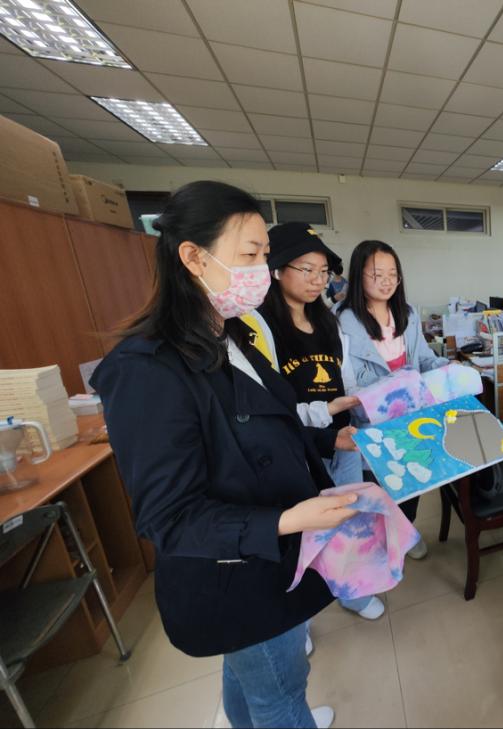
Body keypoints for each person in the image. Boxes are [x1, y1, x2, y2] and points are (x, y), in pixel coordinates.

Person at [92, 181, 358, 729]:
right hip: (235, 574)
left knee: (252, 675)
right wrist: (287, 520)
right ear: (193, 257)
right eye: (251, 255)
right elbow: (170, 518)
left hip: (271, 558)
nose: (264, 269)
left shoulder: (234, 334)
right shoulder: (147, 370)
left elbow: (262, 426)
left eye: (265, 255)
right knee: (279, 692)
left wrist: (329, 439)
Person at [255, 221, 384, 622]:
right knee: (306, 529)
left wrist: (363, 402)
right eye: (307, 270)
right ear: (277, 269)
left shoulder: (329, 322)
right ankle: (303, 614)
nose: (317, 280)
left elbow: (346, 381)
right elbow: (269, 408)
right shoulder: (261, 328)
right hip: (295, 447)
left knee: (349, 517)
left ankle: (353, 592)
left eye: (324, 271)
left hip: (343, 439)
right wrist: (325, 411)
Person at [338, 240, 448, 559]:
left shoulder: (406, 314)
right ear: (359, 276)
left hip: (410, 421)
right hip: (372, 425)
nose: (386, 281)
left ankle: (406, 532)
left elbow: (424, 359)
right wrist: (402, 383)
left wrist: (448, 368)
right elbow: (349, 386)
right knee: (379, 489)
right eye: (377, 274)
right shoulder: (341, 322)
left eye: (392, 274)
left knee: (411, 483)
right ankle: (381, 543)